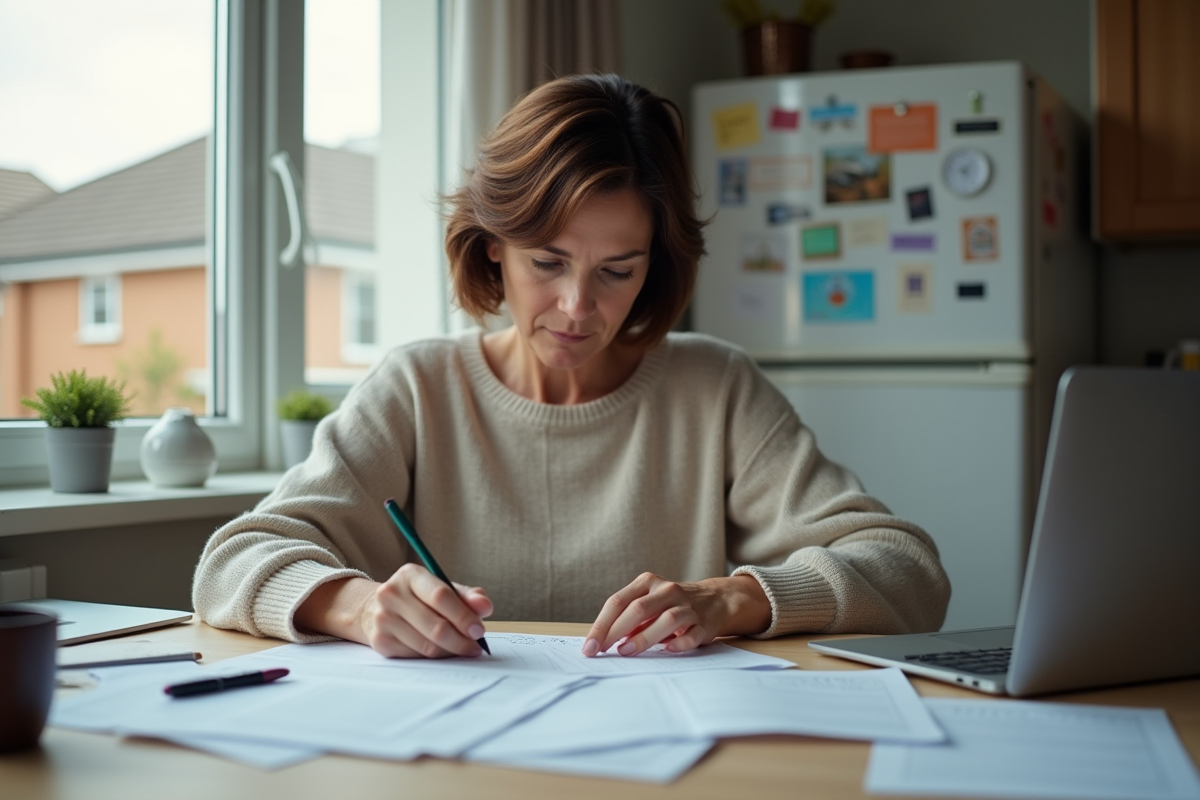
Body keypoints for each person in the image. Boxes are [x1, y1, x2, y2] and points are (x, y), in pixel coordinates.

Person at [193, 74, 950, 660]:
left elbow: (907, 570)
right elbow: (232, 560)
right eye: (548, 262)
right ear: (493, 244)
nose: (577, 306)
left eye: (617, 270)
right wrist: (357, 606)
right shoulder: (418, 388)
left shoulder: (714, 388)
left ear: (655, 265)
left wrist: (735, 597)